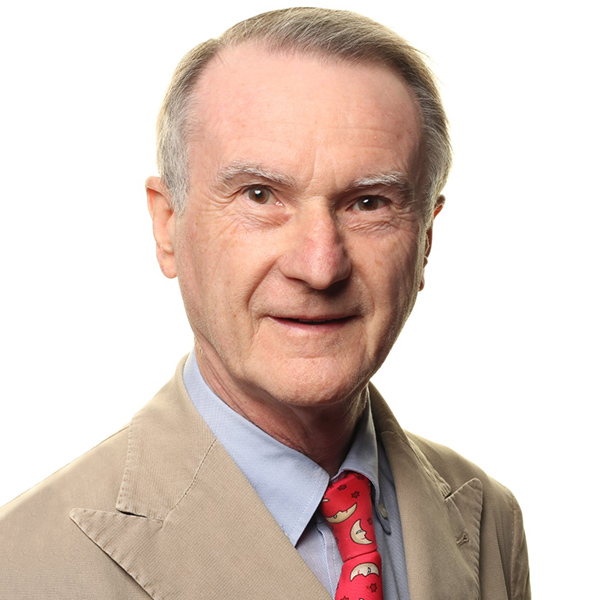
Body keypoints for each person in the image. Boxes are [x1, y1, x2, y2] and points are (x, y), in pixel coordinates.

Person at [0, 7, 530, 599]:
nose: (320, 266)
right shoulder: (21, 566)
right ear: (167, 226)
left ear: (425, 238)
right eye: (260, 195)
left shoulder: (491, 521)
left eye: (369, 203)